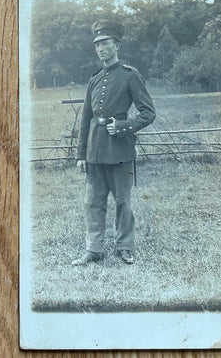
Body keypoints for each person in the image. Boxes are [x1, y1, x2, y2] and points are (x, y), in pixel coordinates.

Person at [73, 20, 155, 265]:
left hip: (120, 150)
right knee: (93, 203)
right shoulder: (95, 78)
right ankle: (94, 250)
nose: (100, 48)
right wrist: (80, 155)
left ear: (117, 45)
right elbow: (86, 118)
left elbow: (148, 112)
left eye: (105, 43)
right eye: (97, 44)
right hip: (94, 151)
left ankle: (125, 247)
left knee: (123, 203)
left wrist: (122, 126)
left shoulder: (130, 75)